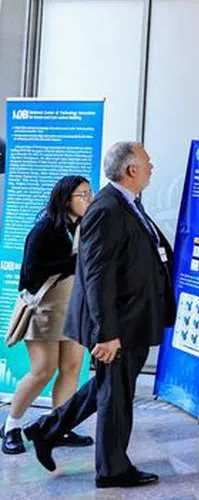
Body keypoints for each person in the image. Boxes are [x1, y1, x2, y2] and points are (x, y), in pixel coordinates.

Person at [24, 142, 174, 489]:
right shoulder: (108, 208)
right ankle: (112, 470)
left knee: (109, 387)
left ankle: (45, 430)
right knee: (115, 396)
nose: (152, 167)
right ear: (131, 170)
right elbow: (96, 275)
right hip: (117, 323)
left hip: (131, 318)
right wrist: (106, 332)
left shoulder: (128, 203)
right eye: (147, 163)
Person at [3, 176, 96, 455]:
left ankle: (59, 427)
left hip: (75, 308)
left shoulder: (82, 226)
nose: (88, 199)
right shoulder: (45, 229)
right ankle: (11, 426)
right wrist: (72, 263)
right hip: (46, 310)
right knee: (43, 370)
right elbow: (31, 273)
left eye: (90, 193)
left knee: (72, 368)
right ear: (66, 199)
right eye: (83, 195)